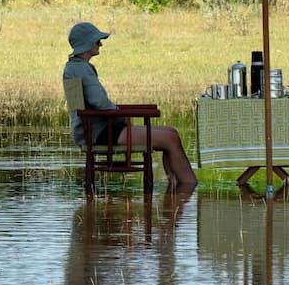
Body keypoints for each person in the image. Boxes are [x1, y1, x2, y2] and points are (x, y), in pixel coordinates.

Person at [63, 21, 197, 187]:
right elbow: (98, 101)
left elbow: (82, 108)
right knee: (170, 138)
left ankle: (176, 189)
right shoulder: (81, 69)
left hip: (93, 130)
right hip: (101, 133)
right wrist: (121, 116)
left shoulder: (72, 68)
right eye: (97, 41)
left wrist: (118, 113)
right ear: (87, 43)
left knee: (171, 133)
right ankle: (189, 189)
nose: (101, 44)